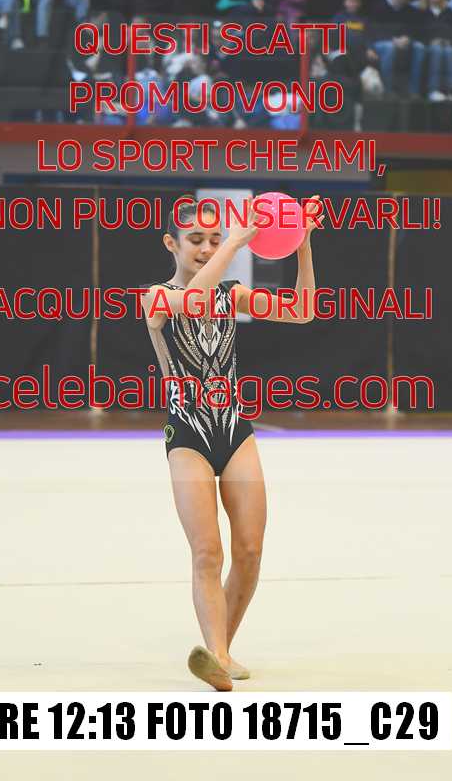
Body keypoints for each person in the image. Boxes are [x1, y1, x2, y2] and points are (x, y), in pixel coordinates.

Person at [142, 196, 323, 690]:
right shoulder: (156, 297)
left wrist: (303, 246)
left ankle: (221, 650)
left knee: (249, 550)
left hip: (234, 429)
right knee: (208, 552)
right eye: (195, 240)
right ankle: (219, 659)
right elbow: (193, 301)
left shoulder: (232, 294)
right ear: (171, 243)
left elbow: (303, 311)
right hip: (188, 434)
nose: (206, 248)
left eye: (214, 239)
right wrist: (237, 243)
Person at [367, 0, 427, 98]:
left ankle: (414, 91)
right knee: (390, 47)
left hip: (403, 42)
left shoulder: (410, 10)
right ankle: (388, 90)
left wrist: (408, 38)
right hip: (380, 42)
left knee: (420, 47)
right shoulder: (379, 7)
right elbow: (372, 31)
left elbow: (416, 31)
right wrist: (393, 40)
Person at [416, 0, 452, 101]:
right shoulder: (420, 12)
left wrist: (449, 41)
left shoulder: (449, 12)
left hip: (447, 45)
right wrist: (430, 41)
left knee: (449, 51)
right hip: (427, 45)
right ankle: (433, 90)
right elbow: (416, 33)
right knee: (437, 50)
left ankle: (450, 91)